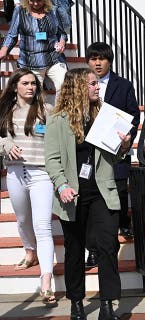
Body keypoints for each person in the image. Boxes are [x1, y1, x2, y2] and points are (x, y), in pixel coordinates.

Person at [45, 68, 131, 320]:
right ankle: (76, 304)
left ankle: (107, 305)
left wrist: (123, 145)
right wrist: (62, 185)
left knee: (107, 246)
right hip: (72, 195)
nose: (97, 87)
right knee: (74, 250)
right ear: (78, 87)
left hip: (102, 192)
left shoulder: (104, 116)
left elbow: (115, 155)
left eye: (97, 83)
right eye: (92, 84)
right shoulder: (58, 120)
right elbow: (51, 160)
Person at [0, 68, 56, 305]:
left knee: (42, 225)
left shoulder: (47, 110)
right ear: (15, 87)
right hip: (15, 173)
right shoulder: (5, 110)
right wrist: (5, 144)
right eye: (25, 83)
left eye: (34, 83)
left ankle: (46, 279)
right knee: (23, 220)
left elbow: (58, 140)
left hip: (41, 173)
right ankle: (29, 251)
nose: (31, 87)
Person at [83, 41, 140, 269]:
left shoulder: (123, 85)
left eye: (102, 58)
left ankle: (116, 235)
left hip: (116, 149)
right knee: (90, 202)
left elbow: (134, 115)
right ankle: (93, 250)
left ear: (110, 60)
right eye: (93, 58)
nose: (97, 63)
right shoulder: (81, 84)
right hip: (88, 152)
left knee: (116, 195)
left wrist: (125, 138)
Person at [0, 0, 68, 96]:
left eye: (39, 0)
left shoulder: (53, 10)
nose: (36, 4)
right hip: (30, 61)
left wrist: (62, 42)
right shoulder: (20, 11)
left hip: (53, 59)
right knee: (34, 96)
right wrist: (4, 49)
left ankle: (60, 111)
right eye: (32, 0)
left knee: (65, 86)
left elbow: (61, 33)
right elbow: (12, 35)